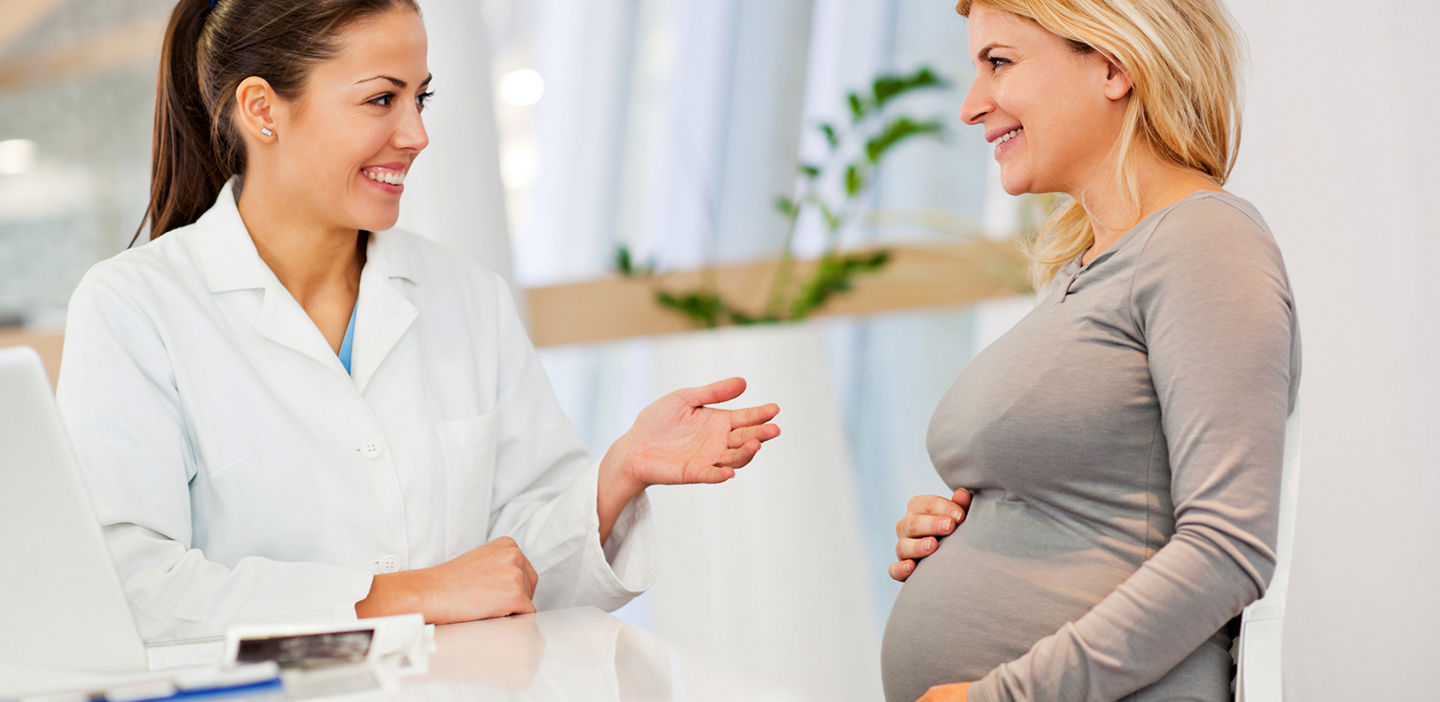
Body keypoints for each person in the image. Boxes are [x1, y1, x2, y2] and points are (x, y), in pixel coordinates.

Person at [55, 0, 780, 642]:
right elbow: (130, 588)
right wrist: (407, 597)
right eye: (381, 100)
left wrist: (615, 477)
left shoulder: (467, 298)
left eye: (420, 99)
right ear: (263, 109)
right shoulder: (134, 307)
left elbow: (521, 576)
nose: (416, 135)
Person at [880, 1, 1300, 700]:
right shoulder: (1093, 267)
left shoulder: (1203, 243)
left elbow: (1229, 548)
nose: (971, 106)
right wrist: (976, 521)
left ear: (1112, 64)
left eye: (999, 62)